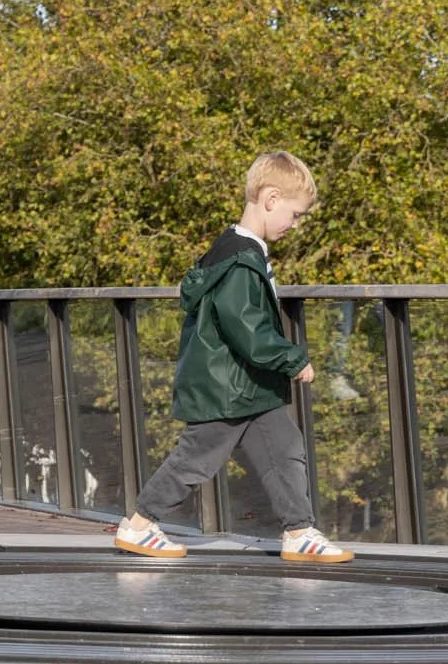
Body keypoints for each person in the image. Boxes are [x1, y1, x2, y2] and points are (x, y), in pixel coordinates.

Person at [113, 151, 352, 562]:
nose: (295, 226)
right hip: (228, 385)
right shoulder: (241, 259)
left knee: (284, 448)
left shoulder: (240, 250)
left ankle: (299, 531)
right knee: (196, 459)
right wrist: (292, 359)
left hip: (247, 386)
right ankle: (139, 524)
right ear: (271, 198)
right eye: (295, 215)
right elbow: (248, 328)